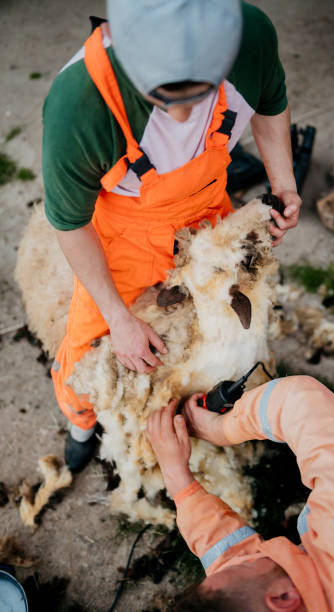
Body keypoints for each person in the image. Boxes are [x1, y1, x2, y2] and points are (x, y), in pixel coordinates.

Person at [42, 0, 302, 472]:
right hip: (125, 237)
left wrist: (283, 181)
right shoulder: (78, 105)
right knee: (90, 345)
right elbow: (70, 223)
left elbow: (270, 100)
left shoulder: (254, 37)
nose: (182, 118)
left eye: (198, 94)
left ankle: (195, 413)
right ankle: (81, 418)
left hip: (209, 221)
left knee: (223, 332)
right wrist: (119, 320)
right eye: (162, 97)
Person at [147, 376, 334, 611]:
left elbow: (230, 559)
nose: (241, 559)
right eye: (245, 565)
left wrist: (178, 479)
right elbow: (301, 401)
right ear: (283, 598)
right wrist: (220, 429)